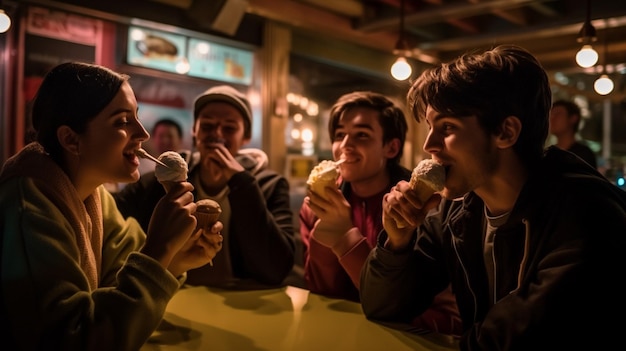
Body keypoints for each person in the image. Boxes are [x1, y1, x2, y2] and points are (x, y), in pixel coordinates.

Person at [359, 45, 626, 350]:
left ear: (505, 132)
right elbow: (382, 307)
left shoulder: (588, 215)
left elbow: (514, 340)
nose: (429, 145)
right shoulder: (455, 211)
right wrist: (397, 242)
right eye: (431, 127)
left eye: (447, 127)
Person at [0, 62, 222, 350]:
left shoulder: (94, 195)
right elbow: (72, 339)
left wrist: (175, 258)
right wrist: (159, 251)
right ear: (70, 139)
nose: (143, 133)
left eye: (137, 118)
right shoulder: (28, 207)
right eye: (121, 121)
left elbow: (118, 274)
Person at [299, 91, 461, 336]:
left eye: (361, 135)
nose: (344, 146)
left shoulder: (420, 206)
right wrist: (324, 237)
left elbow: (437, 313)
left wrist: (345, 237)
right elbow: (320, 291)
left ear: (391, 147)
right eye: (339, 135)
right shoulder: (321, 203)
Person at [115, 85, 295, 289]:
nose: (217, 135)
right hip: (174, 295)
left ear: (245, 137)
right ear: (194, 131)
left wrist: (242, 183)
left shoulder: (268, 185)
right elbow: (114, 222)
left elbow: (277, 269)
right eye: (207, 126)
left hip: (242, 300)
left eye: (229, 128)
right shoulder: (165, 178)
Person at [549, 99, 597, 168]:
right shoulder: (550, 153)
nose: (552, 118)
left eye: (558, 114)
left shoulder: (583, 155)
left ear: (573, 119)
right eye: (551, 115)